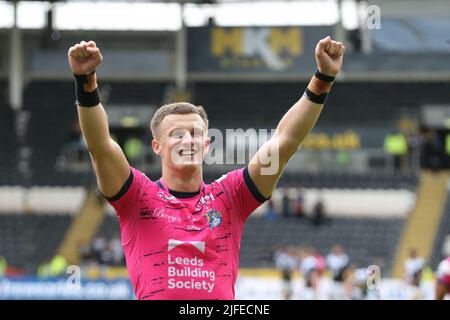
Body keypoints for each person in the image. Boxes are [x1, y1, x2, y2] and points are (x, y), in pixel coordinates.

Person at [67, 36, 345, 300]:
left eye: (195, 133)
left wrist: (322, 79)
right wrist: (86, 82)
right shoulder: (137, 197)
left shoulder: (231, 197)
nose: (188, 140)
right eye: (176, 134)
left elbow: (284, 143)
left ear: (207, 144)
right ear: (157, 146)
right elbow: (101, 146)